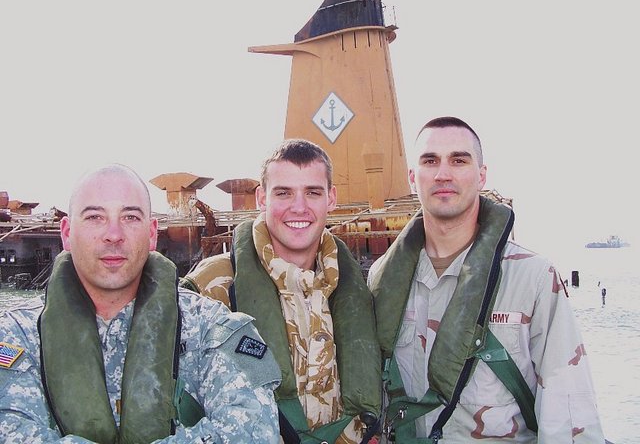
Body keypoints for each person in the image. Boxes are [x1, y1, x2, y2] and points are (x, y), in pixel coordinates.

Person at [0, 164, 281, 443]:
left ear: (151, 234)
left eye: (131, 217)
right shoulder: (16, 336)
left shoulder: (210, 329)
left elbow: (255, 431)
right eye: (95, 217)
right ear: (66, 233)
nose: (113, 234)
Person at [368, 117, 604, 443]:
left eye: (459, 160)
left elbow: (569, 414)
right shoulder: (382, 281)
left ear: (481, 175)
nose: (443, 173)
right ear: (413, 177)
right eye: (430, 160)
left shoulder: (531, 278)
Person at [181, 139, 381, 444]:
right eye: (283, 193)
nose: (298, 207)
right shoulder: (215, 286)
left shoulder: (355, 287)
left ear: (331, 199)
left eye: (312, 192)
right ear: (262, 198)